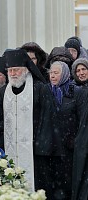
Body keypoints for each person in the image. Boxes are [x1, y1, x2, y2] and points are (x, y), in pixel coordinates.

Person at [0, 49, 54, 192]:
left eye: (16, 70)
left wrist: (40, 143)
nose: (12, 74)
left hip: (35, 151)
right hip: (11, 147)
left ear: (26, 70)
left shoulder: (39, 89)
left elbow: (47, 118)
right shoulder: (4, 92)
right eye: (10, 70)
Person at [47, 61, 87, 200]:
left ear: (64, 74)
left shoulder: (76, 92)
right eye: (51, 73)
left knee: (69, 184)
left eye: (56, 73)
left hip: (70, 148)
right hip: (52, 148)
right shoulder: (47, 92)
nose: (52, 76)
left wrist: (75, 141)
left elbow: (82, 120)